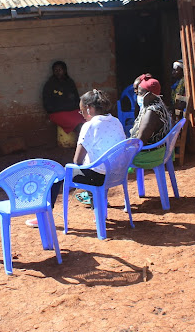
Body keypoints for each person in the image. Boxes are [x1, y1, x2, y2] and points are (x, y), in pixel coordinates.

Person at [26, 89, 125, 227]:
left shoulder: (89, 126)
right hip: (117, 174)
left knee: (55, 177)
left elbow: (77, 161)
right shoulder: (116, 121)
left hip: (98, 177)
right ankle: (100, 212)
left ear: (89, 109)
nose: (82, 115)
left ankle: (44, 217)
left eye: (82, 111)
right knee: (99, 166)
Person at [130, 73, 173, 169]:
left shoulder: (152, 112)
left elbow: (141, 140)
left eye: (140, 93)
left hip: (150, 154)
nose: (138, 96)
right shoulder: (159, 103)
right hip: (159, 150)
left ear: (149, 95)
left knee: (117, 160)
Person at [42, 60, 84, 135]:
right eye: (55, 70)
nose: (57, 72)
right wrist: (61, 108)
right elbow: (47, 105)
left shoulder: (70, 82)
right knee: (78, 126)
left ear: (64, 70)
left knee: (85, 122)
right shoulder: (50, 85)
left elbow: (76, 99)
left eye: (60, 70)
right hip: (57, 113)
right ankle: (82, 144)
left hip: (73, 110)